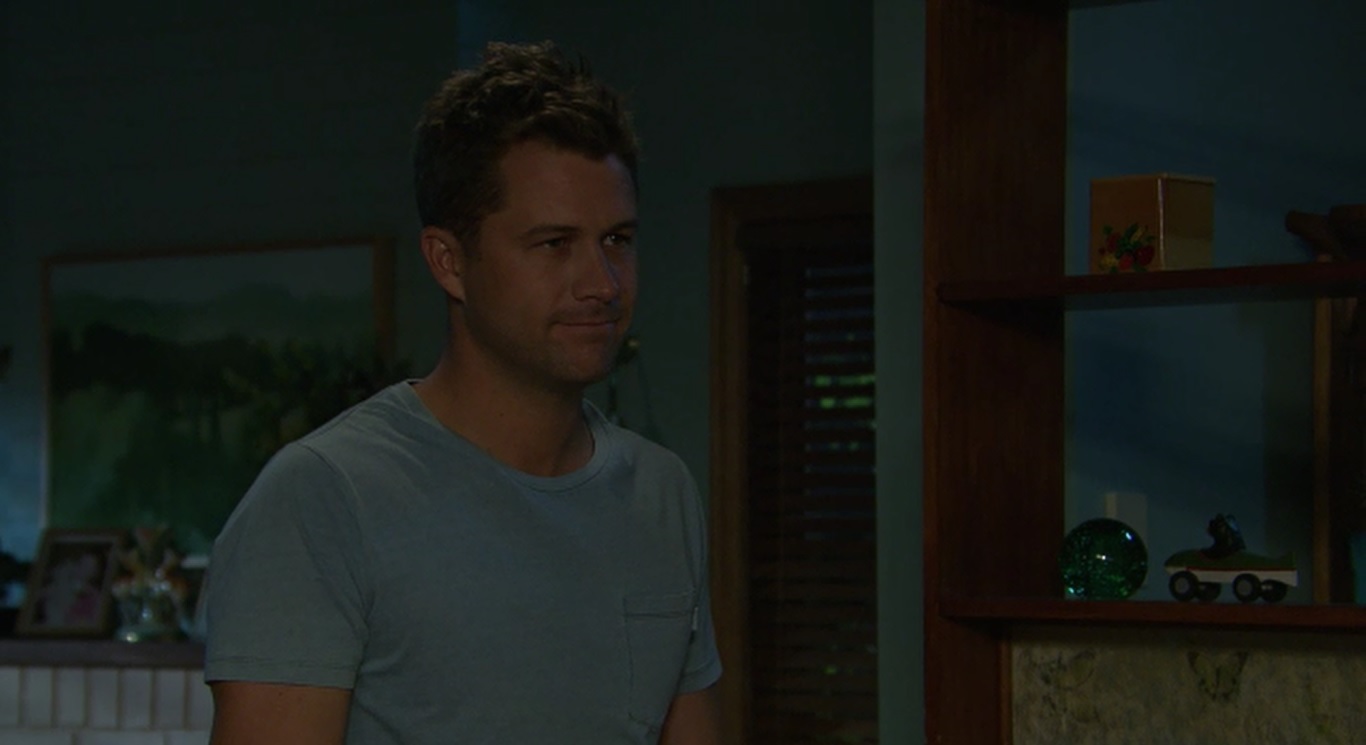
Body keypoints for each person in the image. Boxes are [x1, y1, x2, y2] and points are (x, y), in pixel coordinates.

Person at [203, 41, 723, 744]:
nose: (602, 283)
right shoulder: (324, 499)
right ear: (449, 262)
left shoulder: (663, 494)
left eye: (618, 240)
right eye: (554, 244)